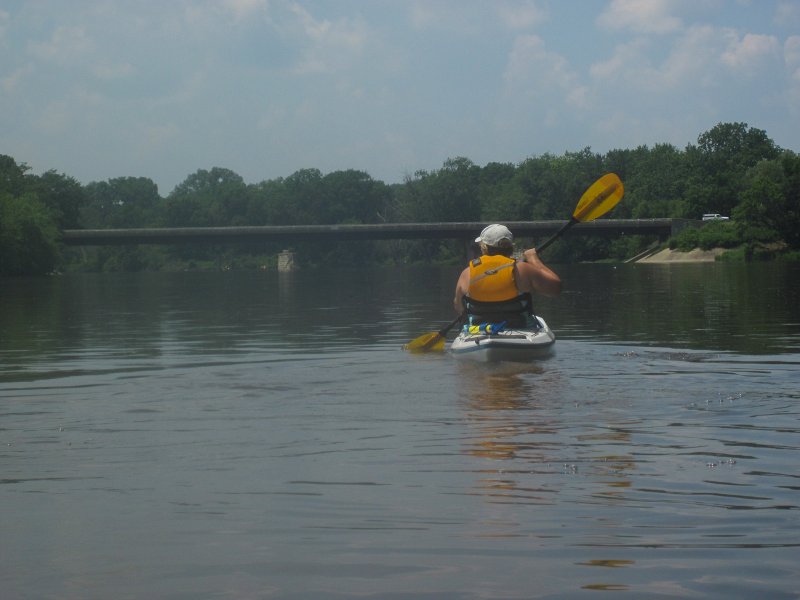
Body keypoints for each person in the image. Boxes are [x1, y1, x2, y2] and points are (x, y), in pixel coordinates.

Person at [453, 224, 561, 327]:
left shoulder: (467, 273)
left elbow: (459, 307)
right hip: (520, 328)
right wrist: (532, 257)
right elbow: (555, 289)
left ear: (484, 247)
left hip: (480, 330)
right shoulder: (523, 269)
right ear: (510, 248)